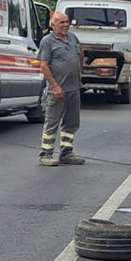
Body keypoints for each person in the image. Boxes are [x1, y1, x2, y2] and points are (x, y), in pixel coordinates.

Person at [38, 12, 85, 166]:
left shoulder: (73, 38)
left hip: (73, 88)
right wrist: (55, 86)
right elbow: (44, 65)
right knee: (52, 122)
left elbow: (80, 55)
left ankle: (66, 153)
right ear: (53, 25)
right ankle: (46, 154)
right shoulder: (48, 41)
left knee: (71, 123)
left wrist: (78, 72)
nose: (66, 25)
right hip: (57, 91)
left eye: (67, 22)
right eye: (61, 23)